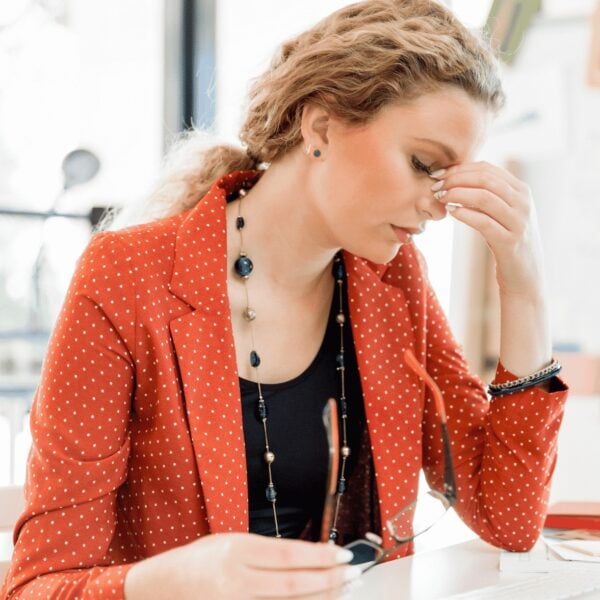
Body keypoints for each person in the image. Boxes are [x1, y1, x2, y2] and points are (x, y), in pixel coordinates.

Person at [1, 1, 568, 598]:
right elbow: (39, 585)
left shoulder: (395, 283)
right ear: (321, 128)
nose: (438, 203)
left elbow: (510, 518)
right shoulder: (126, 276)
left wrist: (524, 279)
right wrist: (167, 582)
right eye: (424, 164)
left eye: (453, 179)